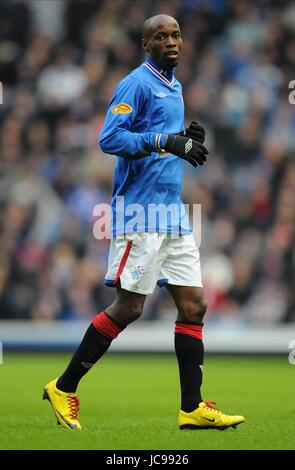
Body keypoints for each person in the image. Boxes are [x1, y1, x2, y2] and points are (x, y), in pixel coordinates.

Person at [43, 14, 245, 430]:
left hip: (172, 214)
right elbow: (109, 138)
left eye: (175, 35)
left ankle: (192, 407)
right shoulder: (135, 83)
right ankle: (64, 386)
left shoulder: (175, 86)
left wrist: (182, 139)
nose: (171, 41)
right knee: (130, 307)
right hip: (139, 212)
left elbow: (161, 138)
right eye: (160, 36)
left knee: (195, 305)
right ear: (145, 44)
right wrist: (165, 140)